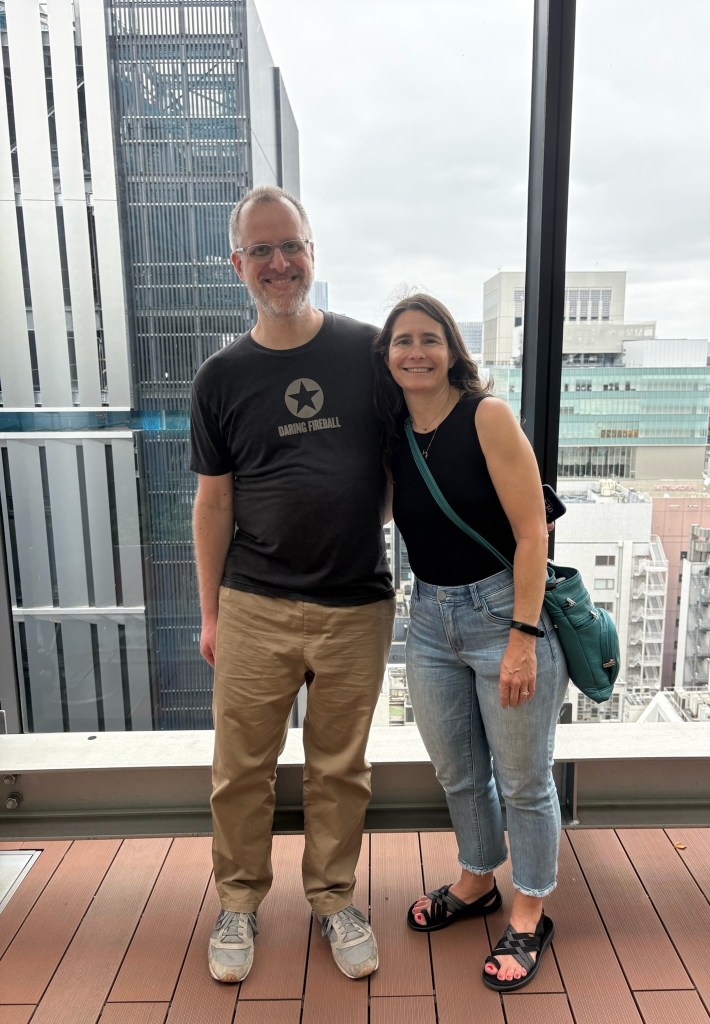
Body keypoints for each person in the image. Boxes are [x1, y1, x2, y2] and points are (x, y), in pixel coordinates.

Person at [190, 185, 395, 984]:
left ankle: (333, 899)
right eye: (263, 251)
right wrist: (210, 614)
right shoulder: (220, 376)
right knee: (240, 768)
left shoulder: (368, 353)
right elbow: (213, 502)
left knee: (339, 767)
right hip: (254, 602)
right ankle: (238, 903)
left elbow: (395, 467)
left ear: (314, 251)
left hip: (356, 603)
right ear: (237, 264)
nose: (280, 263)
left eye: (292, 246)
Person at [372, 294, 569, 992]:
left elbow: (531, 531)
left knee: (523, 780)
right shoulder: (395, 432)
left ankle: (530, 907)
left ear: (453, 349)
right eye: (402, 341)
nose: (415, 351)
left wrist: (521, 634)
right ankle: (478, 879)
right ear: (387, 356)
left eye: (429, 338)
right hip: (427, 619)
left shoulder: (487, 416)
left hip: (500, 614)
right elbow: (382, 506)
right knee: (458, 772)